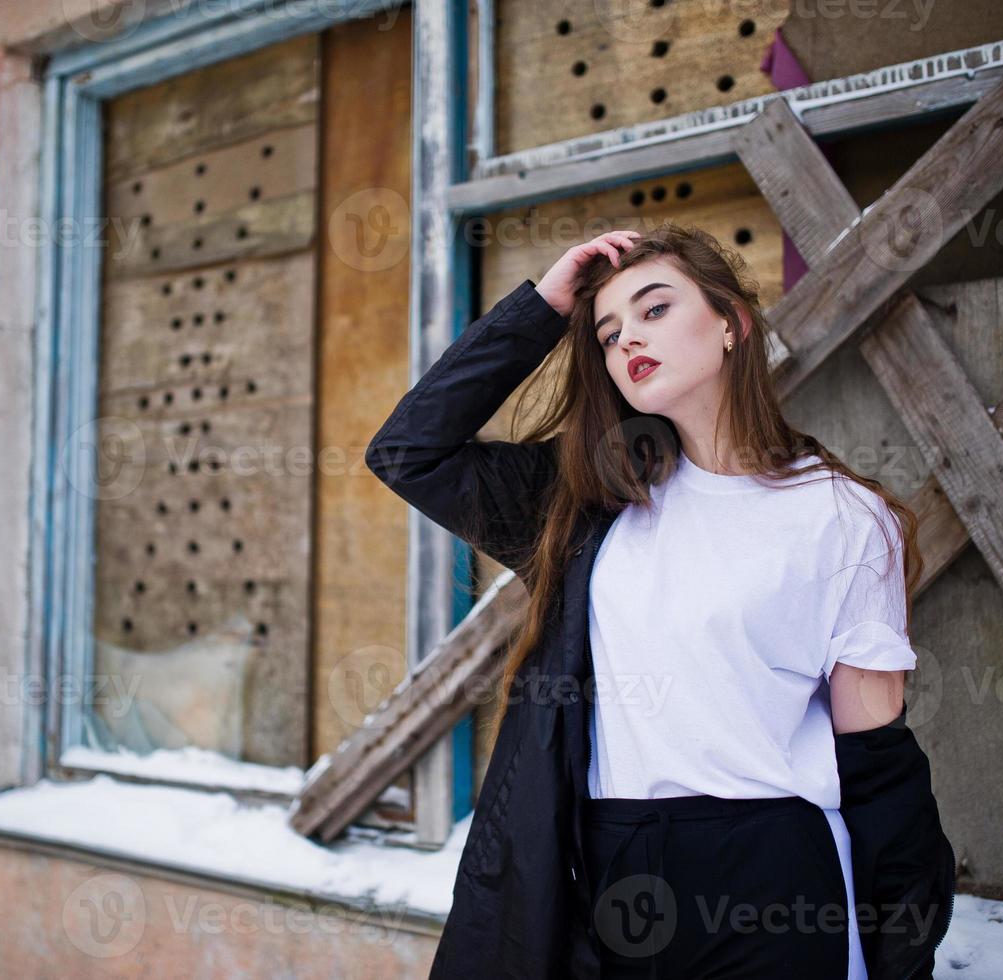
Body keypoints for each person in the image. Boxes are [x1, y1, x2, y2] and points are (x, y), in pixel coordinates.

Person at [365, 223, 956, 979]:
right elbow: (408, 451)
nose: (626, 342)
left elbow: (876, 759)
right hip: (605, 866)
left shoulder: (840, 517)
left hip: (767, 877)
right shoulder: (591, 500)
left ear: (731, 325)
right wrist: (541, 310)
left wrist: (902, 954)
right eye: (608, 334)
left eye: (653, 310)